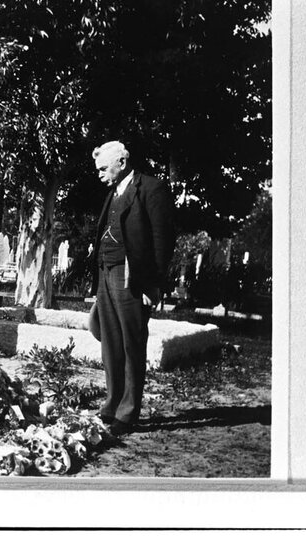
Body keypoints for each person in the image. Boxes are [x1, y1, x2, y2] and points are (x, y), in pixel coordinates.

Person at [88, 141, 175, 435]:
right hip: (105, 271)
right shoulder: (113, 192)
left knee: (132, 343)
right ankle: (112, 404)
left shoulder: (151, 189)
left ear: (122, 163)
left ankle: (128, 412)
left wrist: (154, 284)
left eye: (103, 168)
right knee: (110, 341)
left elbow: (162, 241)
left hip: (131, 277)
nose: (99, 174)